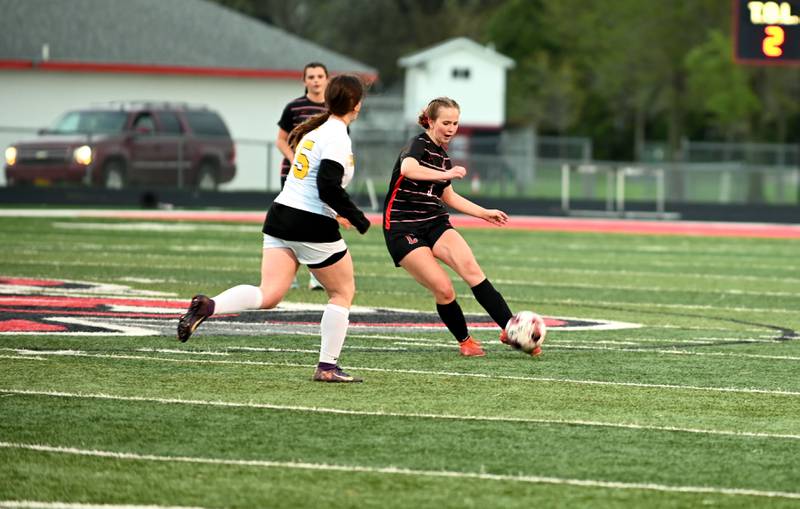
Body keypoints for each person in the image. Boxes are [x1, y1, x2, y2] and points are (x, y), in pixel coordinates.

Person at [178, 74, 371, 382]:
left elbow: (314, 185)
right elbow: (327, 187)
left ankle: (209, 305)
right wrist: (358, 217)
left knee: (268, 294)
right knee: (342, 292)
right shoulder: (336, 135)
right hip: (309, 222)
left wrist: (338, 213)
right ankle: (327, 367)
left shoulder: (316, 131)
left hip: (280, 215)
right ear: (357, 105)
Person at [382, 97, 534, 357]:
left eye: (455, 123)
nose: (451, 128)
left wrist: (483, 213)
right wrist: (446, 174)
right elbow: (409, 169)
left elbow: (449, 197)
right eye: (446, 122)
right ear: (431, 121)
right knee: (443, 288)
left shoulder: (443, 156)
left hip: (435, 222)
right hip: (402, 228)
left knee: (473, 271)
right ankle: (465, 341)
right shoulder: (418, 145)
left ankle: (511, 330)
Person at [276, 62, 329, 291]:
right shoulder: (294, 108)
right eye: (311, 76)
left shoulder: (334, 108)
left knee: (320, 223)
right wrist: (295, 158)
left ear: (327, 79)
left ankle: (318, 276)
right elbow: (281, 139)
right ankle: (288, 276)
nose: (316, 80)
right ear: (304, 81)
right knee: (291, 225)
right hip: (293, 176)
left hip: (321, 176)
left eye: (320, 76)